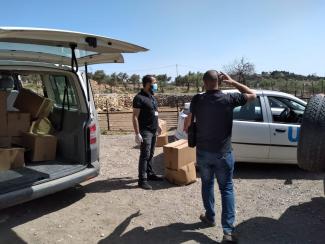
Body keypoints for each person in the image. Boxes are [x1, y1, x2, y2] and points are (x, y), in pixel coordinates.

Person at [184, 70, 256, 243]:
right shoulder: (229, 99)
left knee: (207, 185)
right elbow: (252, 94)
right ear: (220, 82)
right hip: (223, 153)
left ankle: (210, 217)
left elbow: (188, 122)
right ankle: (228, 232)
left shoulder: (197, 99)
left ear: (204, 82)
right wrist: (233, 82)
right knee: (226, 189)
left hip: (203, 152)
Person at [132, 75, 164, 190]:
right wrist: (137, 133)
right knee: (145, 154)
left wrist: (159, 125)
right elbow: (135, 117)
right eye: (154, 83)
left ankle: (150, 174)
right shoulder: (139, 98)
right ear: (146, 84)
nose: (155, 85)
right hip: (145, 131)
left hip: (154, 130)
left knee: (151, 153)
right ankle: (142, 180)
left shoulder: (152, 97)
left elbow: (156, 113)